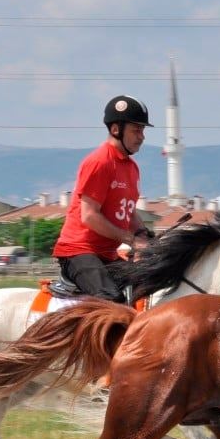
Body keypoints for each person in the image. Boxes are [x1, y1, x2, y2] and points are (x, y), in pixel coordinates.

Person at [52, 95, 153, 302]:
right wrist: (131, 240)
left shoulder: (132, 168)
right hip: (78, 252)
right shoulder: (99, 162)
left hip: (106, 254)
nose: (142, 137)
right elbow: (89, 216)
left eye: (142, 131)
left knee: (150, 284)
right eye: (136, 130)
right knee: (111, 299)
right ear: (116, 130)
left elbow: (129, 212)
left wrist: (145, 237)